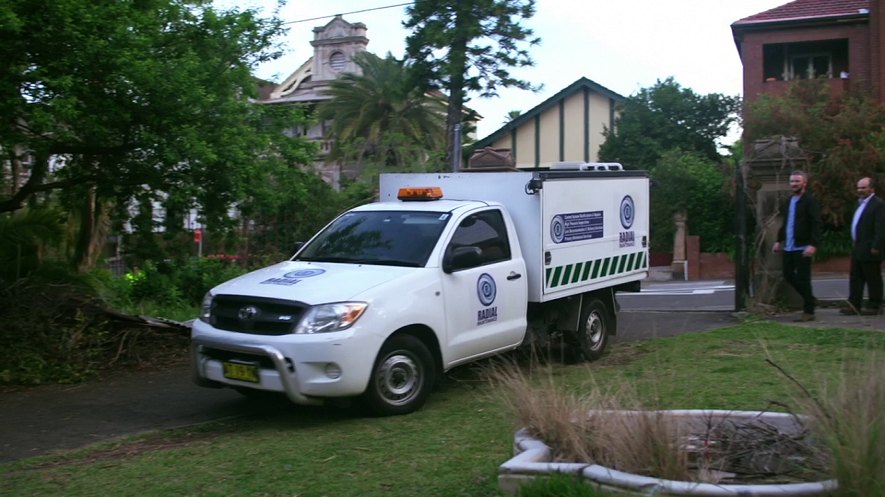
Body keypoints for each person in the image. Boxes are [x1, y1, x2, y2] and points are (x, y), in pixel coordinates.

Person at [772, 170, 821, 322]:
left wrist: (813, 244)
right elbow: (786, 223)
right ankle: (810, 298)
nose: (794, 184)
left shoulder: (810, 201)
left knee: (804, 279)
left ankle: (809, 311)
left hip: (803, 247)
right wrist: (778, 241)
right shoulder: (789, 201)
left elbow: (816, 224)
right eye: (792, 181)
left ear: (804, 183)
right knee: (788, 274)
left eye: (797, 181)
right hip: (789, 246)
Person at [841, 177, 885, 315]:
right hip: (858, 247)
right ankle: (854, 305)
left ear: (872, 189)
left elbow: (880, 228)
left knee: (873, 278)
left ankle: (875, 305)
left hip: (870, 248)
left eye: (863, 188)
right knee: (855, 277)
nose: (860, 190)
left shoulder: (878, 204)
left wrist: (876, 246)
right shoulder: (858, 204)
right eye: (858, 187)